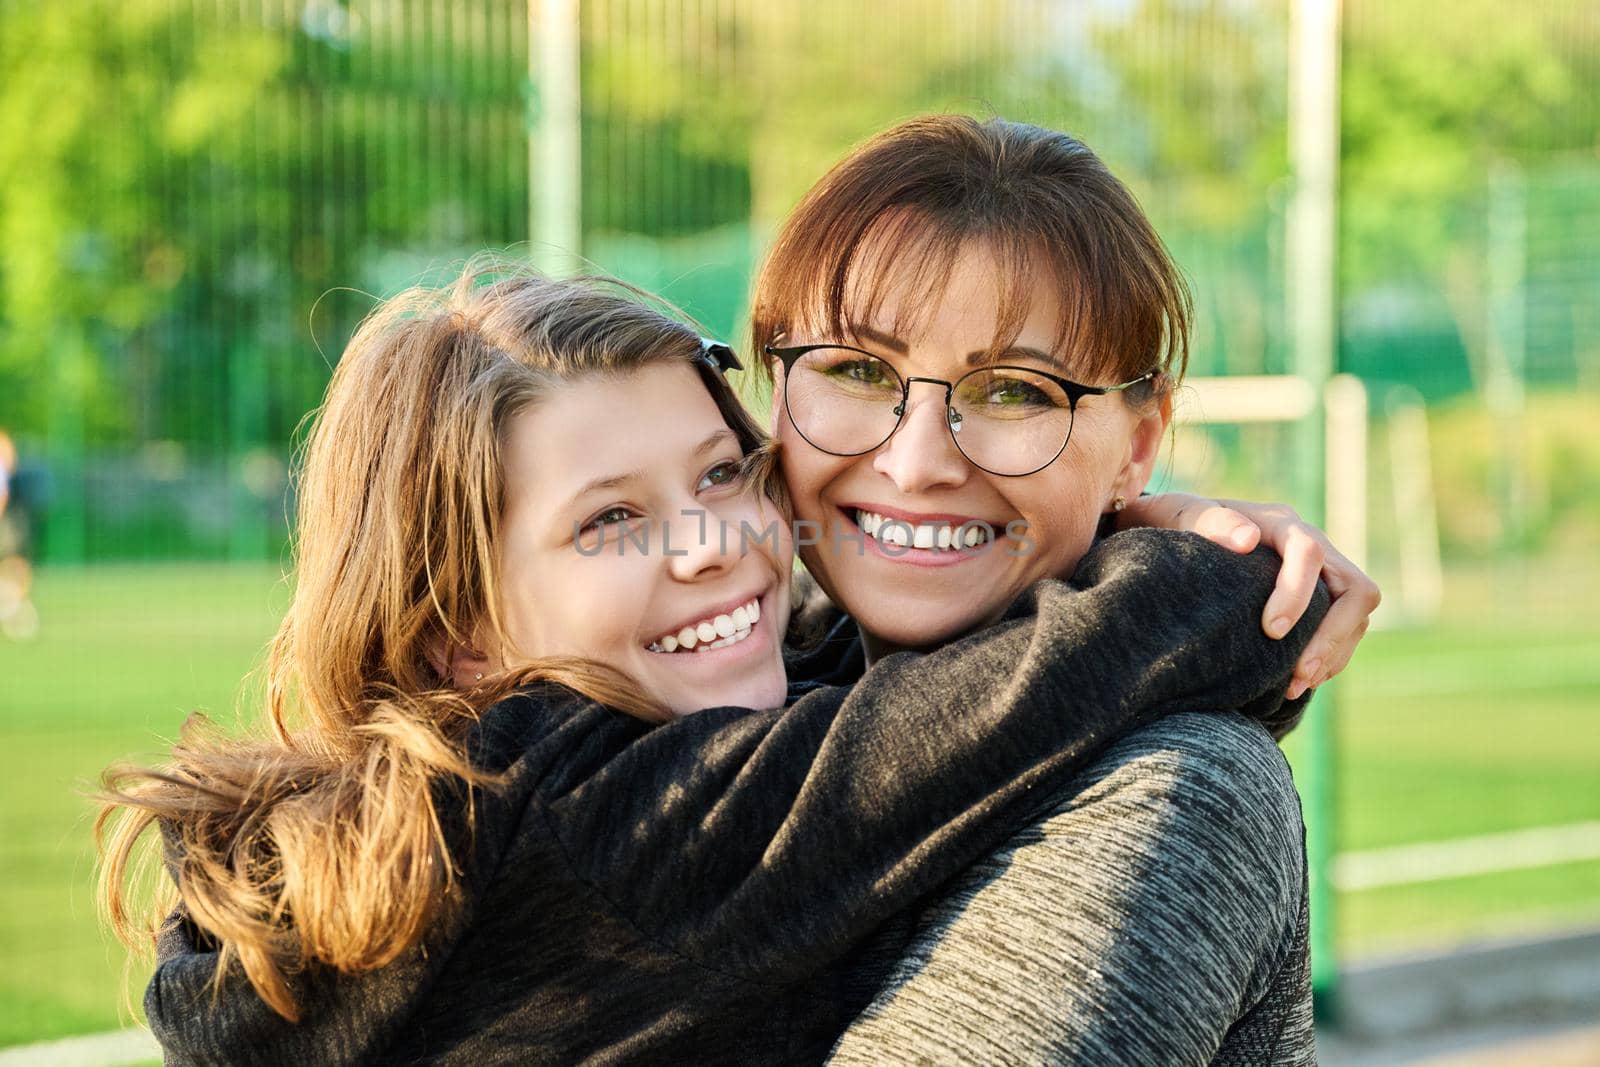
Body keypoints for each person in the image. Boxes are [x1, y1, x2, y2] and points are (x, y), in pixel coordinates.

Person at [99, 264, 1325, 1064]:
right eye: (609, 521)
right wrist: (1217, 582)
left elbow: (876, 694)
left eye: (722, 472)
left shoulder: (442, 820)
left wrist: (1101, 521)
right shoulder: (575, 810)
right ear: (454, 630)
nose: (713, 544)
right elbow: (974, 716)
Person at [743, 114, 1379, 1064]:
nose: (915, 464)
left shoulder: (1183, 787)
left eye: (1013, 391)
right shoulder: (752, 680)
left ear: (1140, 442)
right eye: (859, 371)